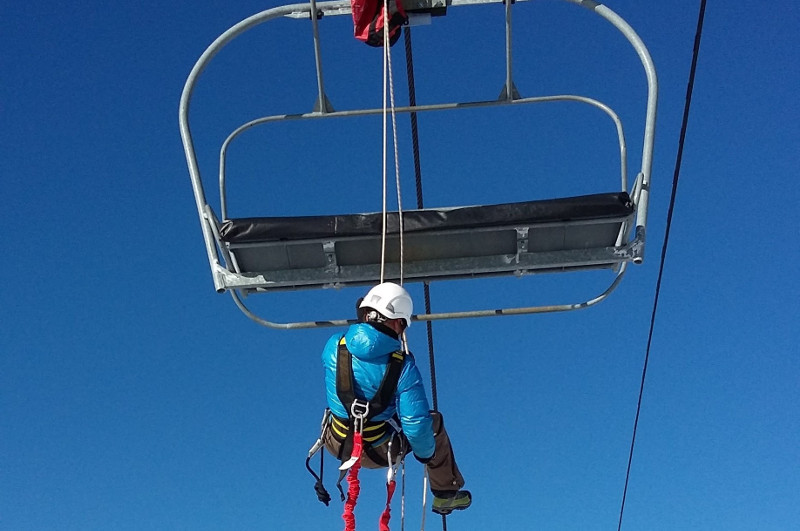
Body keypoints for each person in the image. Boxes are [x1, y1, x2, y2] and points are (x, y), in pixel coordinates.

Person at [320, 282, 471, 516]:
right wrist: (426, 455)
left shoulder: (334, 345)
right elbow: (416, 426)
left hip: (336, 443)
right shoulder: (402, 365)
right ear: (397, 322)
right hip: (376, 451)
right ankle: (445, 494)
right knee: (433, 423)